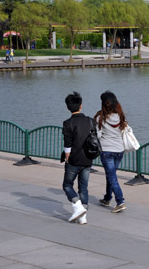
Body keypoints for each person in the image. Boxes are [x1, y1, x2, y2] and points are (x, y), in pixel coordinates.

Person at [62, 91, 95, 225]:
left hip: (74, 159)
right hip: (88, 158)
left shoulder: (67, 123)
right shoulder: (90, 121)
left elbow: (67, 143)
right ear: (81, 106)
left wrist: (67, 158)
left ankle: (78, 206)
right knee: (83, 187)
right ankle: (82, 217)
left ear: (67, 107)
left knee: (67, 185)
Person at [94, 91, 127, 213]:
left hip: (107, 151)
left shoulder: (100, 118)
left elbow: (98, 135)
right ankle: (107, 198)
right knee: (111, 175)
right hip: (119, 150)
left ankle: (120, 201)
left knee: (112, 176)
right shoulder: (120, 116)